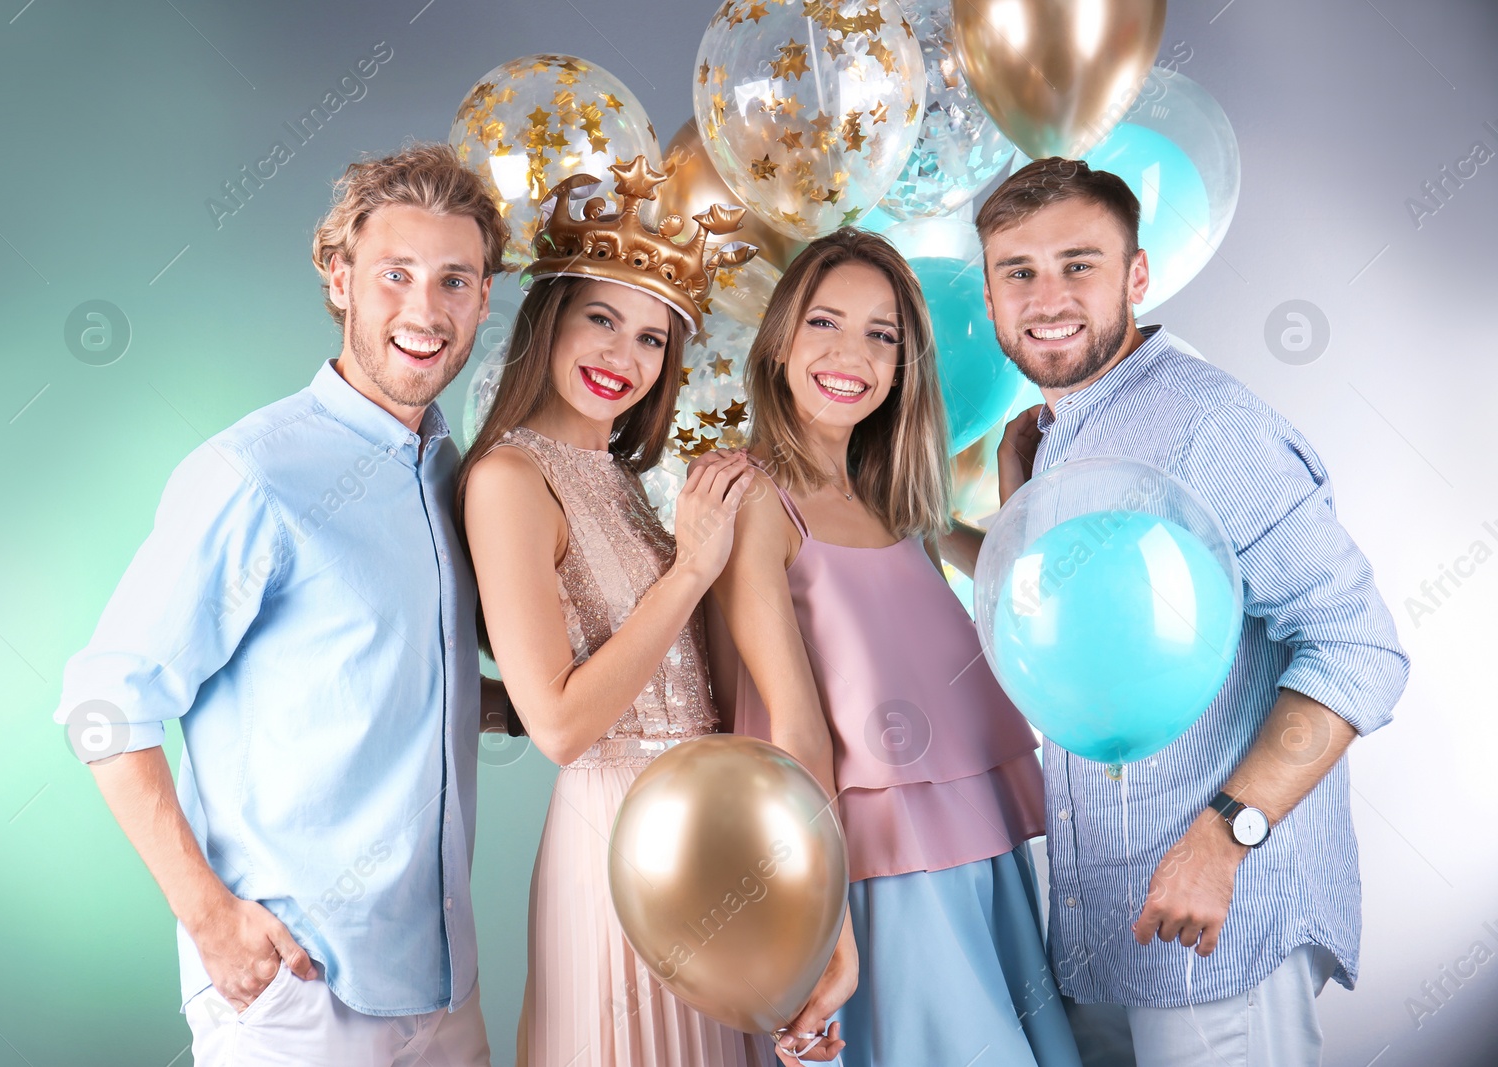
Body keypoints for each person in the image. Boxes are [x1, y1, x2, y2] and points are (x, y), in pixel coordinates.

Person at [53, 142, 505, 1066]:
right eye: (395, 275)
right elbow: (103, 705)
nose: (425, 310)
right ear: (338, 279)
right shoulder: (251, 473)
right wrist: (210, 919)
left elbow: (390, 679)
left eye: (454, 280)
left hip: (445, 982)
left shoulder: (455, 474)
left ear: (485, 299)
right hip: (299, 990)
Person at [980, 157, 1410, 1067]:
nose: (1046, 295)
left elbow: (1358, 648)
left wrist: (1228, 832)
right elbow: (1086, 615)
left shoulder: (1207, 421)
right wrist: (1001, 513)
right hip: (1104, 926)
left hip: (1221, 923)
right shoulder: (1061, 435)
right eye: (1018, 270)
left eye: (1078, 264)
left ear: (1137, 276)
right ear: (988, 294)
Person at [704, 227, 1082, 1066]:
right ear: (780, 341)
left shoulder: (898, 502)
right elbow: (792, 738)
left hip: (981, 861)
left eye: (883, 335)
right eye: (825, 323)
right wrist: (823, 920)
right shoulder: (758, 501)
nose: (854, 354)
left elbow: (1017, 595)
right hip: (873, 877)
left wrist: (1022, 489)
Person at [458, 157, 772, 1067]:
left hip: (704, 830)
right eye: (602, 318)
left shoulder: (626, 482)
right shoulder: (509, 478)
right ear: (549, 319)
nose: (621, 358)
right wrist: (694, 569)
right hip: (616, 834)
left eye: (651, 339)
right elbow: (558, 724)